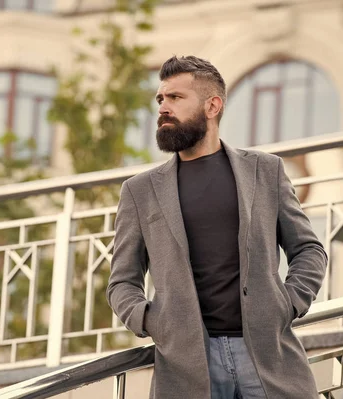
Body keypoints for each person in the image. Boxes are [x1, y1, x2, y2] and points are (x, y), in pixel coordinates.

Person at [106, 55, 328, 399]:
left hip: (268, 356)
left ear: (212, 106)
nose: (163, 107)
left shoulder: (265, 171)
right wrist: (151, 321)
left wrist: (289, 303)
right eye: (161, 99)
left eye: (176, 98)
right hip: (187, 366)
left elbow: (308, 249)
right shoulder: (139, 191)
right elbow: (122, 280)